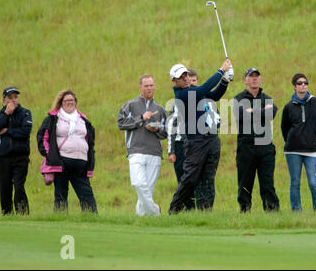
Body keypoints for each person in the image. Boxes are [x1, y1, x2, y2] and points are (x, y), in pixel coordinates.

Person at [168, 59, 232, 214]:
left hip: (211, 139)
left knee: (208, 178)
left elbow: (215, 95)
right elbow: (205, 88)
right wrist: (221, 70)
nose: (185, 78)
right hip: (195, 141)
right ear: (174, 81)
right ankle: (174, 210)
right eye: (181, 76)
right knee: (190, 178)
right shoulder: (183, 94)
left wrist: (224, 81)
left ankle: (205, 212)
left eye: (186, 75)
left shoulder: (193, 90)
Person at [37, 89, 97, 213]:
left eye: (72, 100)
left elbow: (90, 141)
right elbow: (43, 138)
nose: (70, 102)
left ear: (76, 102)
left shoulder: (83, 120)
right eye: (66, 100)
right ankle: (60, 219)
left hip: (81, 162)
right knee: (61, 194)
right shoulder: (53, 118)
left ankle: (91, 219)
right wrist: (51, 156)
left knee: (87, 194)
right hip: (61, 162)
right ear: (61, 102)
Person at [281, 73, 316, 212]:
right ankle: (296, 212)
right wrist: (291, 140)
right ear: (294, 86)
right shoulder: (288, 107)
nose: (303, 85)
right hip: (292, 151)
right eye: (299, 83)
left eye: (305, 83)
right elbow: (284, 128)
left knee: (313, 182)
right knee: (295, 182)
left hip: (313, 150)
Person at [118, 74, 167, 216]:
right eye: (146, 86)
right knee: (139, 184)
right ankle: (156, 211)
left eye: (151, 85)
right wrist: (140, 118)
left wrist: (156, 129)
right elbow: (121, 124)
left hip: (155, 153)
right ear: (140, 87)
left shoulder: (160, 109)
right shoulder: (130, 105)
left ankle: (142, 220)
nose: (149, 88)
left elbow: (166, 133)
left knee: (147, 192)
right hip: (136, 151)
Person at [233, 68, 280, 212]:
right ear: (246, 80)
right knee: (245, 183)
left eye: (257, 76)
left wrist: (252, 111)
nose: (254, 79)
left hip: (265, 147)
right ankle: (245, 211)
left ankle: (272, 211)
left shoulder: (267, 99)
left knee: (267, 183)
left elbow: (271, 114)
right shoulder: (238, 99)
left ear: (260, 79)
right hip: (246, 147)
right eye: (251, 76)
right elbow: (241, 116)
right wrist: (262, 112)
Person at [0, 87, 32, 215]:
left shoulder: (25, 113)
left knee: (19, 187)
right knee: (4, 188)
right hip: (2, 157)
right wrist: (6, 114)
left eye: (15, 97)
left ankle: (23, 214)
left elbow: (25, 132)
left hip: (20, 157)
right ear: (4, 100)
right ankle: (7, 215)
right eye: (10, 98)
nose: (13, 100)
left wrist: (8, 131)